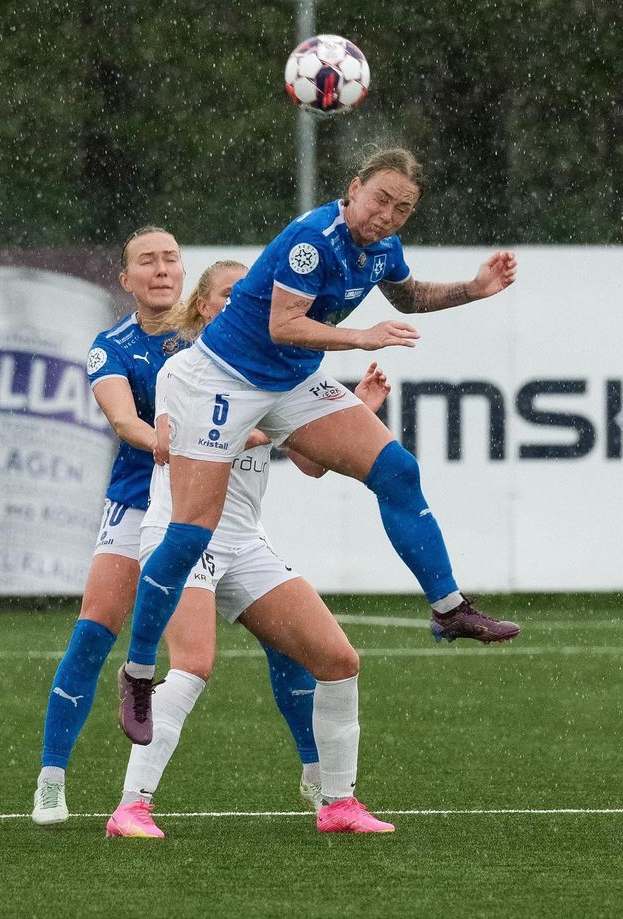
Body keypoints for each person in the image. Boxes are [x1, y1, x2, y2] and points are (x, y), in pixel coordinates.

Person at [119, 146, 521, 747]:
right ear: (354, 188)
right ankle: (139, 671)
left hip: (291, 379)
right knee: (191, 531)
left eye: (403, 209)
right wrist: (361, 337)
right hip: (220, 377)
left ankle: (448, 607)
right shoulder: (313, 237)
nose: (388, 215)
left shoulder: (382, 247)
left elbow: (407, 297)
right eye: (381, 199)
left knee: (397, 470)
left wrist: (473, 288)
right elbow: (285, 324)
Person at [31, 236, 318, 826]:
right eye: (147, 262)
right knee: (94, 633)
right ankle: (52, 778)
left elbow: (284, 432)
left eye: (170, 260)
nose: (161, 270)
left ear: (184, 274)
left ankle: (318, 775)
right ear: (126, 279)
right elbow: (123, 420)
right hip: (142, 504)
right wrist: (162, 439)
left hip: (217, 513)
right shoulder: (113, 347)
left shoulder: (224, 338)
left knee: (288, 642)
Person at [108, 261, 396, 837]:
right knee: (193, 665)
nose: (243, 301)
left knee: (338, 661)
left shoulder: (279, 372)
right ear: (204, 308)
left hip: (243, 543)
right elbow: (166, 446)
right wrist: (259, 423)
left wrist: (357, 410)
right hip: (180, 538)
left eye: (250, 294)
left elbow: (314, 465)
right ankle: (131, 807)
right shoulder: (182, 371)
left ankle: (338, 804)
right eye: (229, 294)